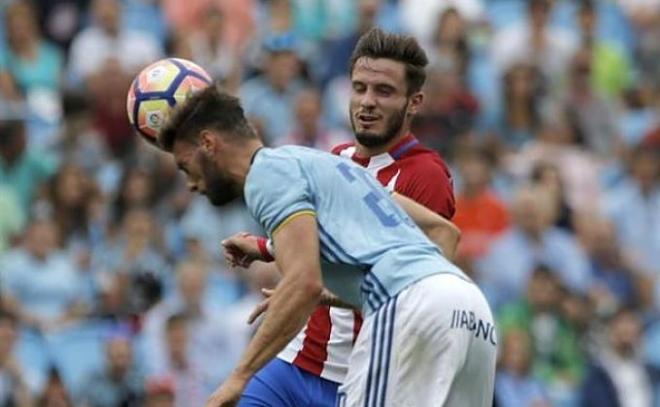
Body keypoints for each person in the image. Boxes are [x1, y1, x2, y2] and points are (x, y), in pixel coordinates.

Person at [158, 84, 496, 407]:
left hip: (409, 306)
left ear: (208, 143)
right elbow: (442, 231)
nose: (189, 184)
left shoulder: (264, 176)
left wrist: (238, 377)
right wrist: (268, 249)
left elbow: (304, 282)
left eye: (185, 167)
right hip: (470, 308)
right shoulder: (329, 165)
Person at [235, 28, 457, 407]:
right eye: (359, 88)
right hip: (296, 365)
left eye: (383, 91)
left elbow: (413, 294)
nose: (367, 102)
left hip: (360, 384)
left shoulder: (426, 176)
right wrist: (265, 247)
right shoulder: (335, 157)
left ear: (414, 102)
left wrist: (321, 294)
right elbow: (326, 243)